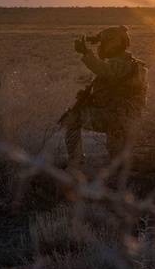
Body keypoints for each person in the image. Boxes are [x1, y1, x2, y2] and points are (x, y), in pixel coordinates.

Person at [60, 25, 148, 168]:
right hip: (118, 116)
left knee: (72, 119)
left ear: (112, 42)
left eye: (103, 43)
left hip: (116, 117)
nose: (101, 47)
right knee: (118, 161)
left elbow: (104, 71)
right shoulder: (127, 63)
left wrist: (86, 53)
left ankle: (75, 163)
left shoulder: (122, 64)